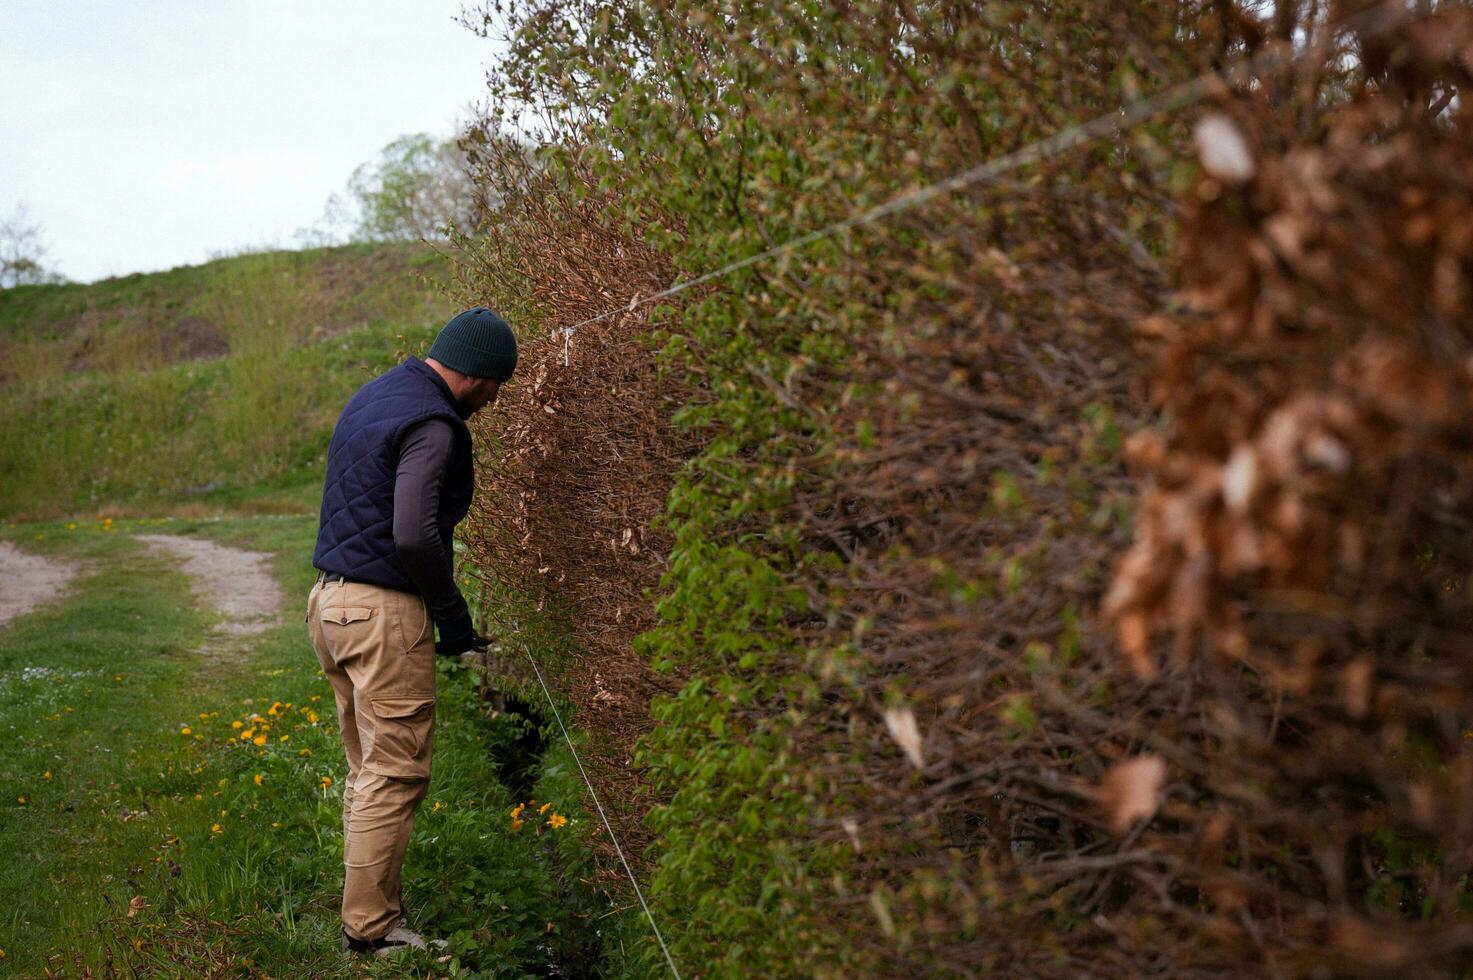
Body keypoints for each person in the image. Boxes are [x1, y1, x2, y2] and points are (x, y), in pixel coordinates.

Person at [306, 307, 514, 956]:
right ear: (477, 375)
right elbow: (414, 534)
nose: (496, 398)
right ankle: (370, 934)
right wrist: (451, 612)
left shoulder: (377, 395)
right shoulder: (434, 423)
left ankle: (371, 909)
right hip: (383, 610)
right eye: (496, 384)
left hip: (330, 604)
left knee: (367, 767)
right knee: (393, 772)